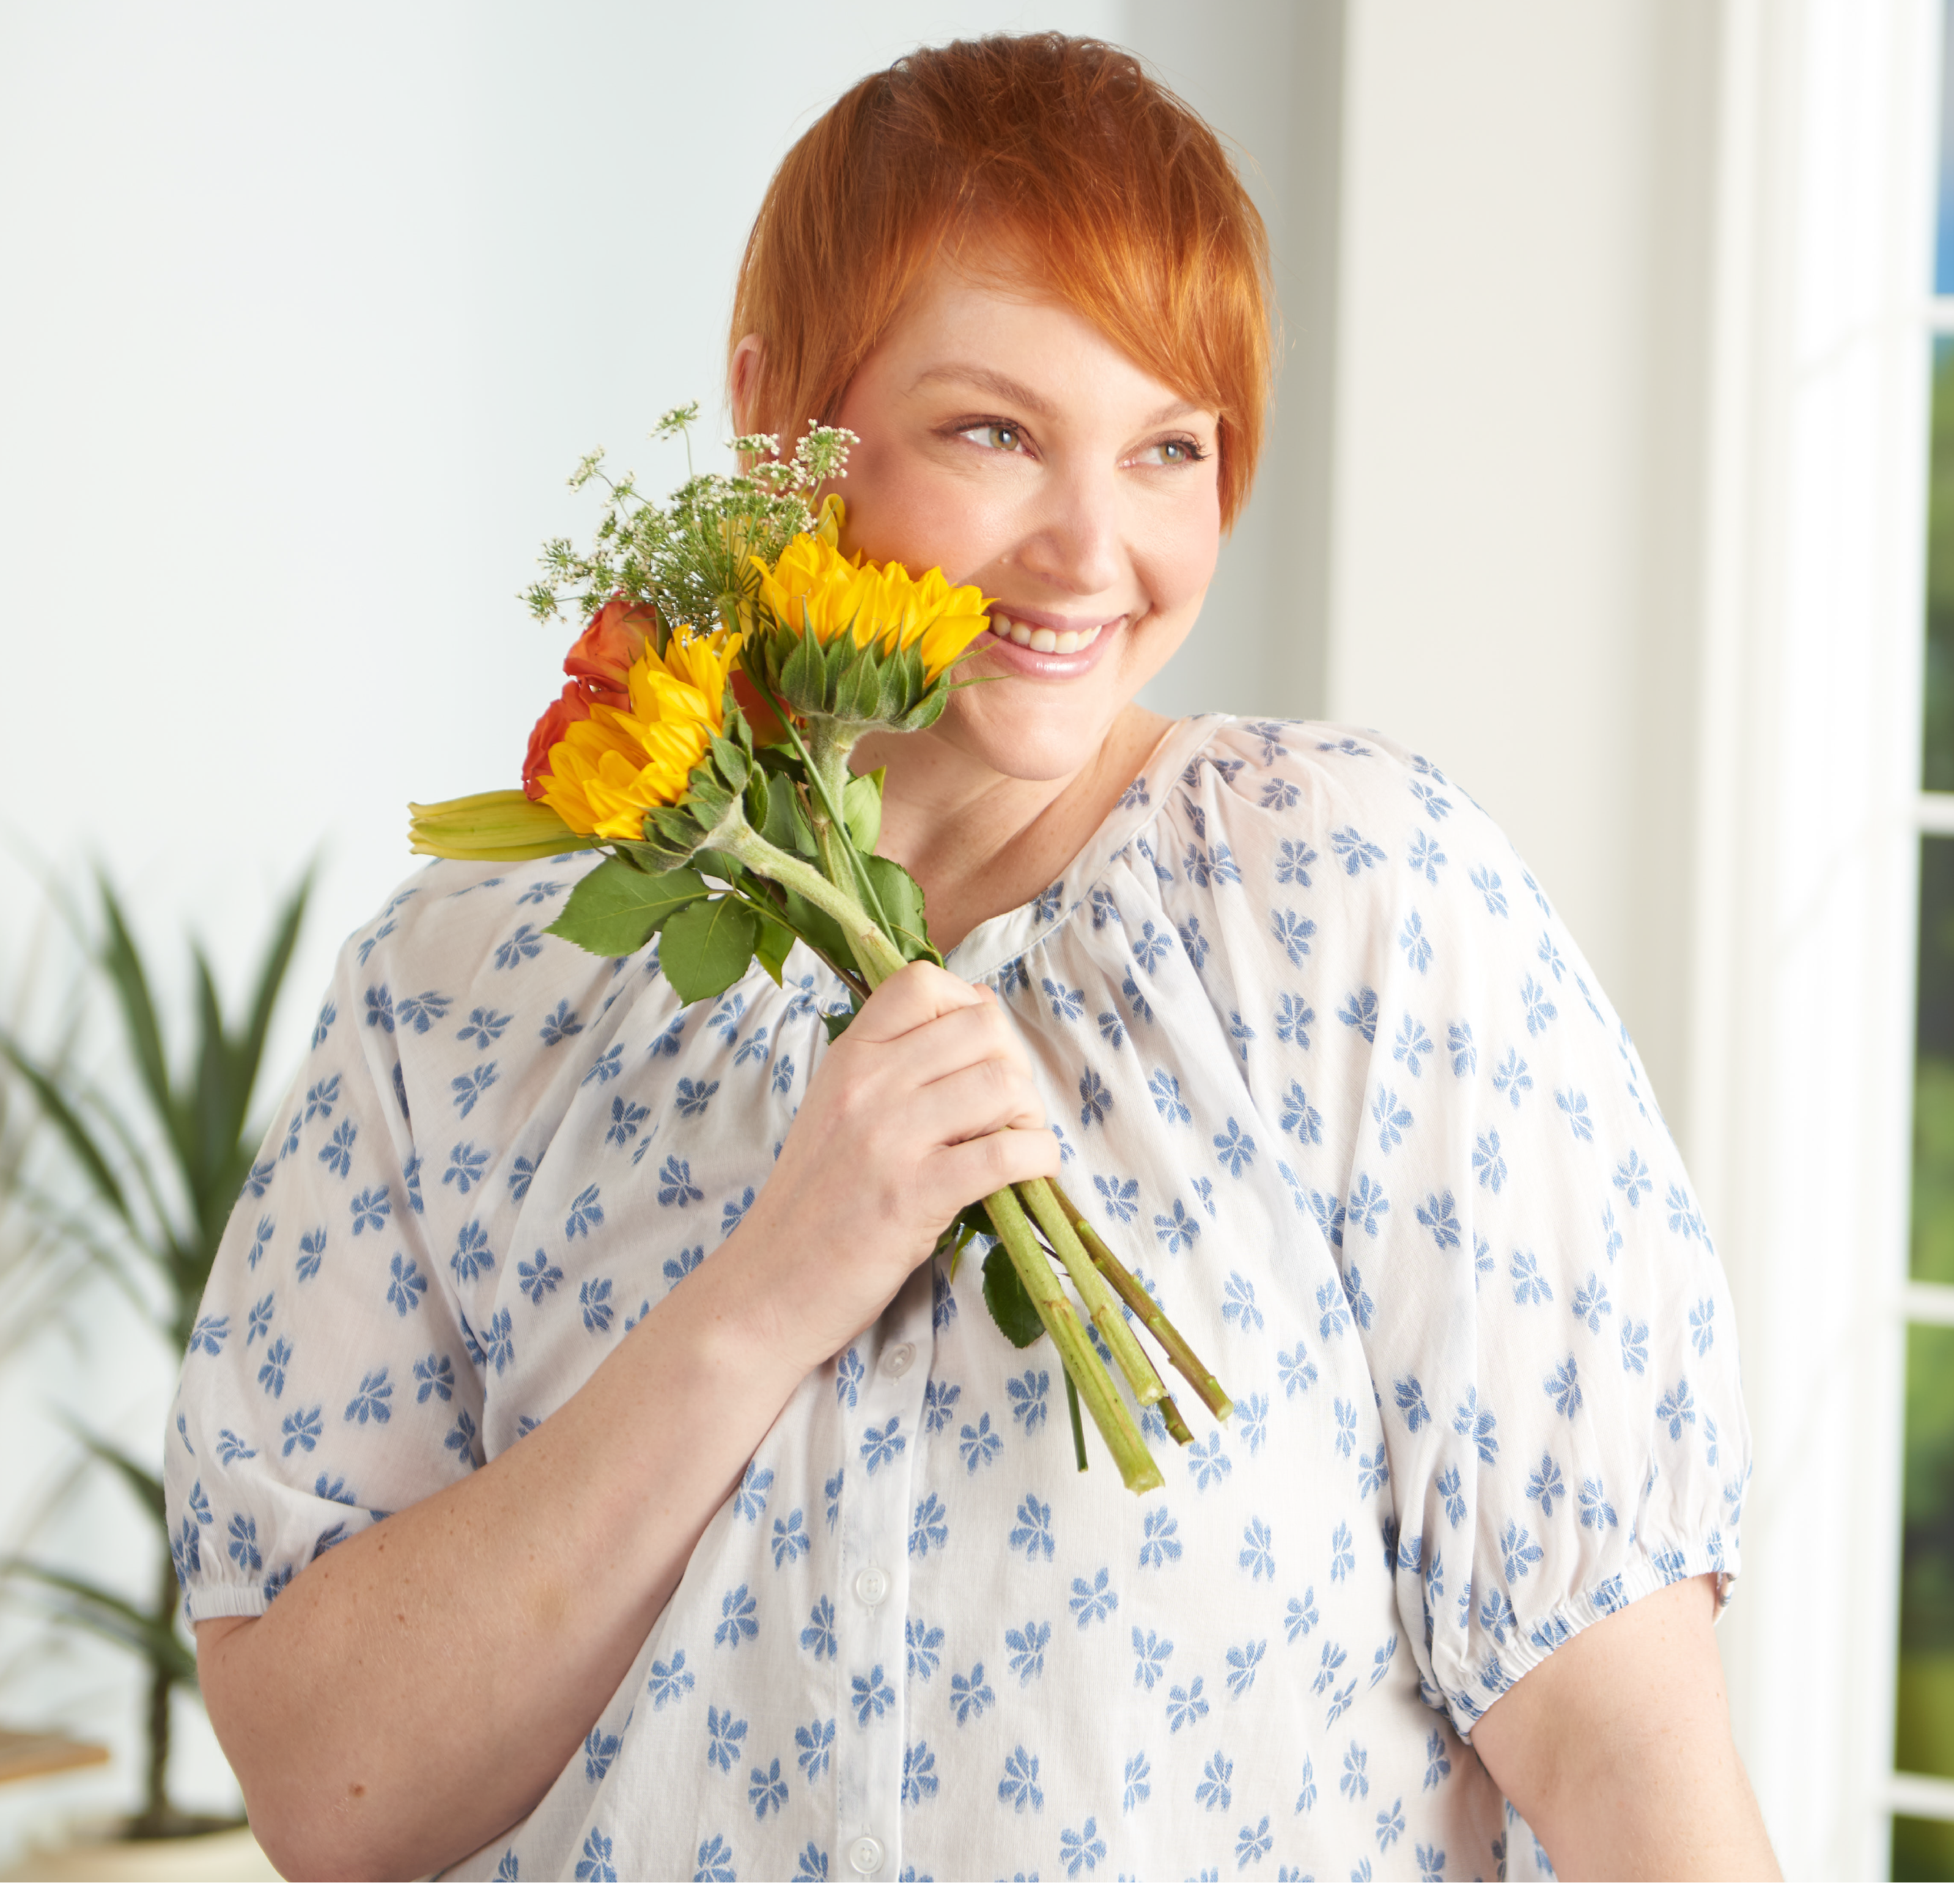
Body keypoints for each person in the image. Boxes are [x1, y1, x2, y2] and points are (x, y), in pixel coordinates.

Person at [166, 33, 1778, 1882]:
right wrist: (773, 1288)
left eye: (1169, 447)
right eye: (992, 432)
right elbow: (327, 1792)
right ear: (778, 421)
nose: (1094, 549)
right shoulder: (461, 992)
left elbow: (1622, 1748)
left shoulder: (1354, 905)